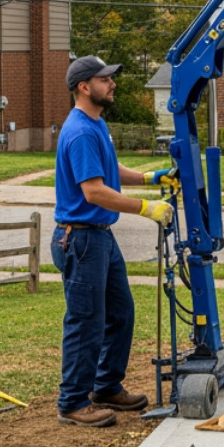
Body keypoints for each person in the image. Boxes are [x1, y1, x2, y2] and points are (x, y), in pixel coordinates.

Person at [51, 56, 173, 428]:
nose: (113, 84)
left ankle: (105, 386)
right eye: (105, 79)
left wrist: (150, 177)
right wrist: (145, 207)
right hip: (82, 239)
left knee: (120, 314)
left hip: (100, 238)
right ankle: (72, 402)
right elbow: (94, 191)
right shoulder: (81, 131)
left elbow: (110, 171)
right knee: (86, 322)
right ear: (84, 86)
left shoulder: (96, 124)